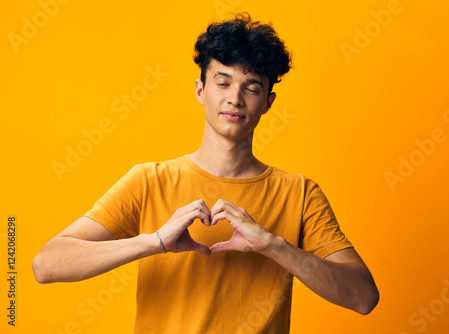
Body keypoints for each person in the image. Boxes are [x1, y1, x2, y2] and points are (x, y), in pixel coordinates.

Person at [33, 13, 379, 333]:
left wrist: (272, 245)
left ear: (268, 102)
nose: (235, 99)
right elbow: (47, 264)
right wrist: (154, 243)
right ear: (201, 90)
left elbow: (363, 297)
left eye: (252, 88)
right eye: (223, 83)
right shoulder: (149, 180)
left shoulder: (300, 194)